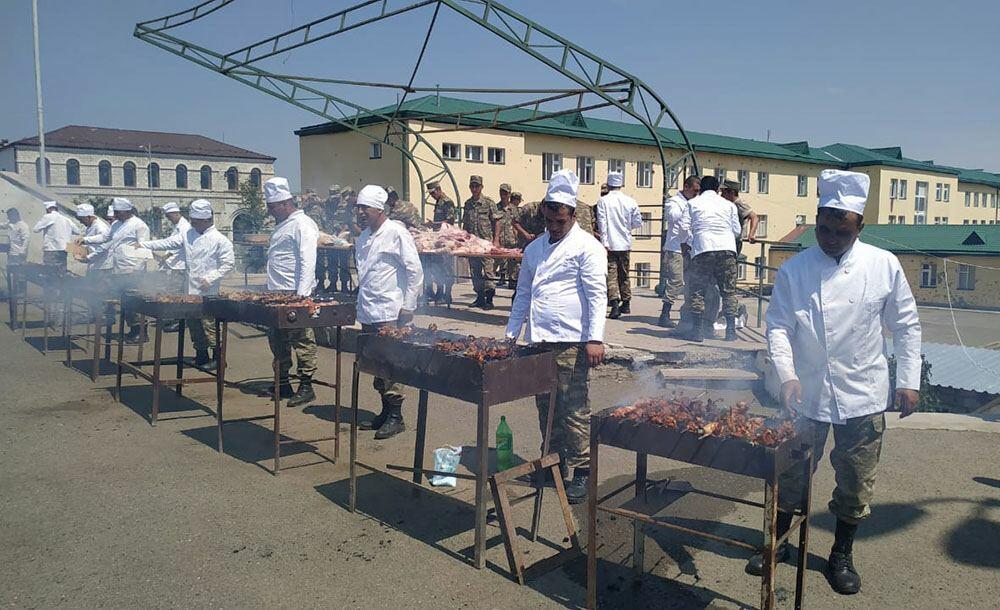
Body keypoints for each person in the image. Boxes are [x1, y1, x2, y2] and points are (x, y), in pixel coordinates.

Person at [756, 169, 921, 595]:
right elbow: (777, 326)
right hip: (805, 393)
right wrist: (787, 375)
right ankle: (778, 541)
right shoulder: (795, 269)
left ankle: (841, 553)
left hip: (862, 394)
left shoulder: (883, 265)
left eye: (840, 231)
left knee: (856, 480)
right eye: (824, 229)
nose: (829, 238)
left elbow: (906, 324)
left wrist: (908, 380)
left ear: (859, 227)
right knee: (791, 473)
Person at [505, 169, 608, 504]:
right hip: (539, 339)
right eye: (549, 221)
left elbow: (596, 296)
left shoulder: (587, 247)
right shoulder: (535, 248)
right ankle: (553, 463)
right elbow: (522, 293)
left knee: (573, 406)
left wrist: (595, 338)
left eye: (559, 222)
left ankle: (582, 471)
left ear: (573, 216)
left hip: (572, 340)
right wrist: (511, 333)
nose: (553, 227)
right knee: (545, 405)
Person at [353, 185, 424, 439]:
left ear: (379, 209)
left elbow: (414, 270)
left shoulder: (396, 232)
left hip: (390, 310)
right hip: (369, 309)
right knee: (375, 365)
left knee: (393, 365)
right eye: (358, 208)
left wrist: (409, 305)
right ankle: (385, 411)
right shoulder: (363, 238)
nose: (360, 212)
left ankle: (396, 416)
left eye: (365, 208)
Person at [137, 199, 234, 370]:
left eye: (196, 221)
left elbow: (228, 264)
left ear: (206, 220)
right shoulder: (188, 234)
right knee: (194, 323)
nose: (193, 223)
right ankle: (201, 354)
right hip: (190, 289)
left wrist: (211, 278)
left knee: (208, 325)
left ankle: (219, 358)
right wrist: (143, 244)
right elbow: (168, 242)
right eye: (192, 220)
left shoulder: (220, 240)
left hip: (208, 291)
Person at [263, 177, 320, 407]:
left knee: (302, 339)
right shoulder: (283, 224)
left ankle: (306, 385)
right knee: (277, 339)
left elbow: (308, 260)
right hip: (276, 292)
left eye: (272, 207)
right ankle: (283, 381)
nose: (269, 211)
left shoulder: (302, 224)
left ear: (285, 203)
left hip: (293, 292)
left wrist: (302, 294)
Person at [680, 176, 741, 342]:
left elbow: (684, 229)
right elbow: (736, 230)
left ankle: (697, 331)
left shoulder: (692, 203)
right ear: (717, 189)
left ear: (700, 189)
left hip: (702, 250)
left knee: (697, 290)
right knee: (728, 292)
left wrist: (692, 242)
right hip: (727, 249)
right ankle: (731, 331)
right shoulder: (729, 205)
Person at [84, 198, 151, 343]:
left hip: (133, 270)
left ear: (126, 211)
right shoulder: (116, 225)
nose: (115, 214)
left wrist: (137, 270)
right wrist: (85, 240)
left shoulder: (139, 225)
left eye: (118, 212)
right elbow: (105, 238)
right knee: (126, 302)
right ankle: (132, 330)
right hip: (119, 268)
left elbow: (143, 248)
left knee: (135, 302)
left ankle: (141, 332)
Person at [595, 171, 642, 319]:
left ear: (608, 184)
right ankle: (626, 302)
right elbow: (638, 222)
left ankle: (614, 304)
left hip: (609, 243)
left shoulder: (603, 201)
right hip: (625, 243)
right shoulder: (630, 201)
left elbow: (602, 222)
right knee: (624, 273)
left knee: (611, 274)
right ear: (621, 184)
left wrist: (604, 242)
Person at [658, 176, 699, 327]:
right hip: (675, 247)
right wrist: (687, 213)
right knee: (676, 281)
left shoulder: (693, 202)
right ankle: (665, 313)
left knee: (690, 281)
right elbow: (673, 216)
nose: (696, 194)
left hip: (688, 247)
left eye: (698, 192)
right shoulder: (674, 202)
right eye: (694, 191)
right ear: (686, 187)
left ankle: (687, 314)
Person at [462, 175, 498, 310]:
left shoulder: (488, 203)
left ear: (482, 187)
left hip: (486, 243)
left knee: (488, 271)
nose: (475, 189)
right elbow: (465, 223)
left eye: (477, 186)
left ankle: (489, 299)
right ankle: (480, 297)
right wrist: (463, 240)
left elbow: (497, 221)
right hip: (472, 244)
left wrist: (496, 240)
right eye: (472, 186)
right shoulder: (468, 204)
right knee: (475, 271)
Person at [424, 180, 458, 304]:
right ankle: (439, 293)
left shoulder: (447, 202)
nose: (432, 196)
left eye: (433, 193)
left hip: (446, 239)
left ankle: (447, 294)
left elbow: (450, 220)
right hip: (438, 239)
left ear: (438, 189)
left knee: (446, 268)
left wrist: (434, 224)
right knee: (438, 268)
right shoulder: (438, 202)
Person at [33, 200, 78, 268]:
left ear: (48, 209)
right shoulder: (66, 219)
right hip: (64, 249)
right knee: (61, 271)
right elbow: (77, 231)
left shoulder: (48, 217)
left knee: (49, 270)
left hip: (51, 248)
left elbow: (35, 229)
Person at [720, 180, 759, 255]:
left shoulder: (739, 203)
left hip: (735, 241)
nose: (722, 195)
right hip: (727, 240)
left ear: (732, 192)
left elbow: (754, 217)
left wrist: (751, 234)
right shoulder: (728, 203)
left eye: (724, 193)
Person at [494, 183, 521, 289]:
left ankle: (512, 285)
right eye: (501, 192)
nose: (503, 195)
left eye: (505, 193)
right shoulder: (496, 208)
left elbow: (518, 224)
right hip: (499, 242)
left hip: (512, 242)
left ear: (509, 194)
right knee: (497, 264)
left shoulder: (514, 209)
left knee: (513, 267)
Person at [302, 191, 330, 291]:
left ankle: (321, 283)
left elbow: (325, 223)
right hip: (308, 240)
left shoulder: (319, 210)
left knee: (320, 262)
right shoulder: (303, 211)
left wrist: (325, 237)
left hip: (319, 238)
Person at [74, 204, 112, 275]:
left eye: (81, 219)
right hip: (94, 265)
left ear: (88, 217)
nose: (81, 222)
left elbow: (104, 246)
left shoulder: (101, 227)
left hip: (102, 267)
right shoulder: (90, 226)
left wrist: (88, 258)